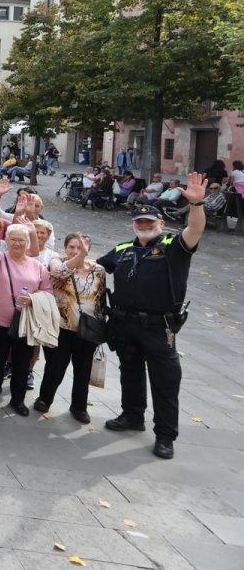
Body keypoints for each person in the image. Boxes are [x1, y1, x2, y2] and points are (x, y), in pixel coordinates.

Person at [98, 174, 207, 460]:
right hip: (124, 324)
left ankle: (165, 436)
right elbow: (94, 268)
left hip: (159, 328)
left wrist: (196, 205)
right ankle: (132, 415)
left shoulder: (174, 246)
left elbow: (195, 231)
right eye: (139, 222)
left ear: (161, 224)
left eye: (150, 222)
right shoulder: (123, 249)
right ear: (133, 225)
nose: (144, 225)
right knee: (130, 371)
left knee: (165, 381)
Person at [0, 223, 53, 416]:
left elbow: (47, 291)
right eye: (13, 239)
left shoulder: (37, 266)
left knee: (22, 361)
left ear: (28, 243)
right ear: (6, 241)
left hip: (25, 322)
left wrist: (33, 299)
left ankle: (18, 400)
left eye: (21, 240)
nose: (17, 243)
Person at [33, 232, 106, 424]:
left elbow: (100, 298)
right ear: (65, 248)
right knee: (55, 367)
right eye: (72, 247)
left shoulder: (98, 270)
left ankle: (79, 407)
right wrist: (78, 258)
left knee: (83, 370)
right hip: (61, 326)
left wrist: (100, 328)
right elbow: (59, 273)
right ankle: (44, 399)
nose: (75, 250)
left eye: (80, 247)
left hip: (86, 329)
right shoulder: (58, 263)